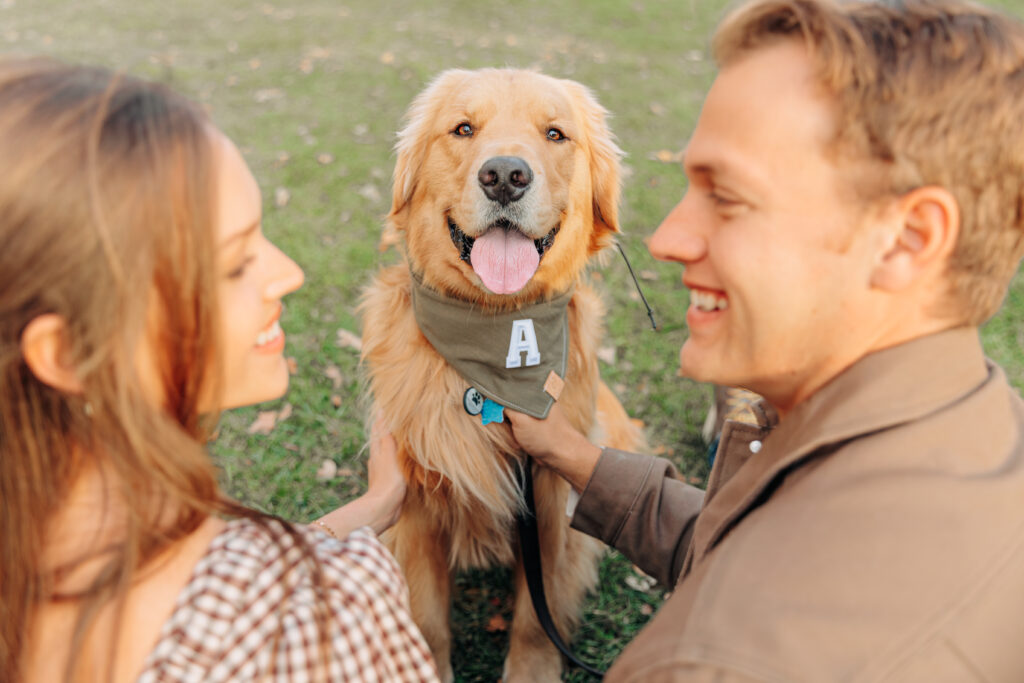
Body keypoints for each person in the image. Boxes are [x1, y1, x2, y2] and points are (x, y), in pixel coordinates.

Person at [506, 0, 1024, 680]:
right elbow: (749, 546)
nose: (666, 239)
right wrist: (576, 456)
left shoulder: (711, 663)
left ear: (907, 240)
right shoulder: (984, 425)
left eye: (728, 197)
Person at [0, 57, 438, 682]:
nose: (289, 273)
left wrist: (374, 506)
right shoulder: (319, 618)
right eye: (235, 264)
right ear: (69, 352)